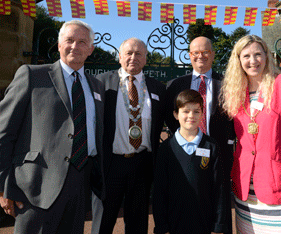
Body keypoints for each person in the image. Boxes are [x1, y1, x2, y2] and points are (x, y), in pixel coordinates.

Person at [0, 20, 104, 234]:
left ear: (90, 49)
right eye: (69, 40)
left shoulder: (97, 86)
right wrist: (3, 185)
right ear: (58, 45)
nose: (75, 46)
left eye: (82, 42)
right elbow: (4, 133)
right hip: (35, 186)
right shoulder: (32, 75)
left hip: (80, 183)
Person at [220, 34, 281, 233]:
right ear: (238, 60)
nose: (252, 61)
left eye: (258, 54)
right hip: (247, 188)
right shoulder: (235, 92)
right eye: (246, 56)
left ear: (267, 56)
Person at [91, 37, 166, 234]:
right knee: (102, 223)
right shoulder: (101, 82)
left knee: (138, 223)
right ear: (119, 57)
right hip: (110, 164)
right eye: (129, 53)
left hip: (142, 165)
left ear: (146, 58)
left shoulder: (158, 87)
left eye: (139, 53)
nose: (133, 57)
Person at [165, 36, 234, 233]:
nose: (200, 56)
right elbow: (171, 117)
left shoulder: (228, 84)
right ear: (189, 56)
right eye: (195, 53)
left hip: (219, 155)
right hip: (186, 156)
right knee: (188, 206)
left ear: (212, 54)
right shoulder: (175, 85)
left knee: (221, 206)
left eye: (205, 52)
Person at [153, 89, 227, 234]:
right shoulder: (166, 149)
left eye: (196, 111)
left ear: (202, 114)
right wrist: (162, 226)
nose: (191, 116)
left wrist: (218, 225)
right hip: (174, 225)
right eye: (185, 111)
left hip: (204, 225)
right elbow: (159, 191)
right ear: (176, 114)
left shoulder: (211, 146)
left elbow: (219, 189)